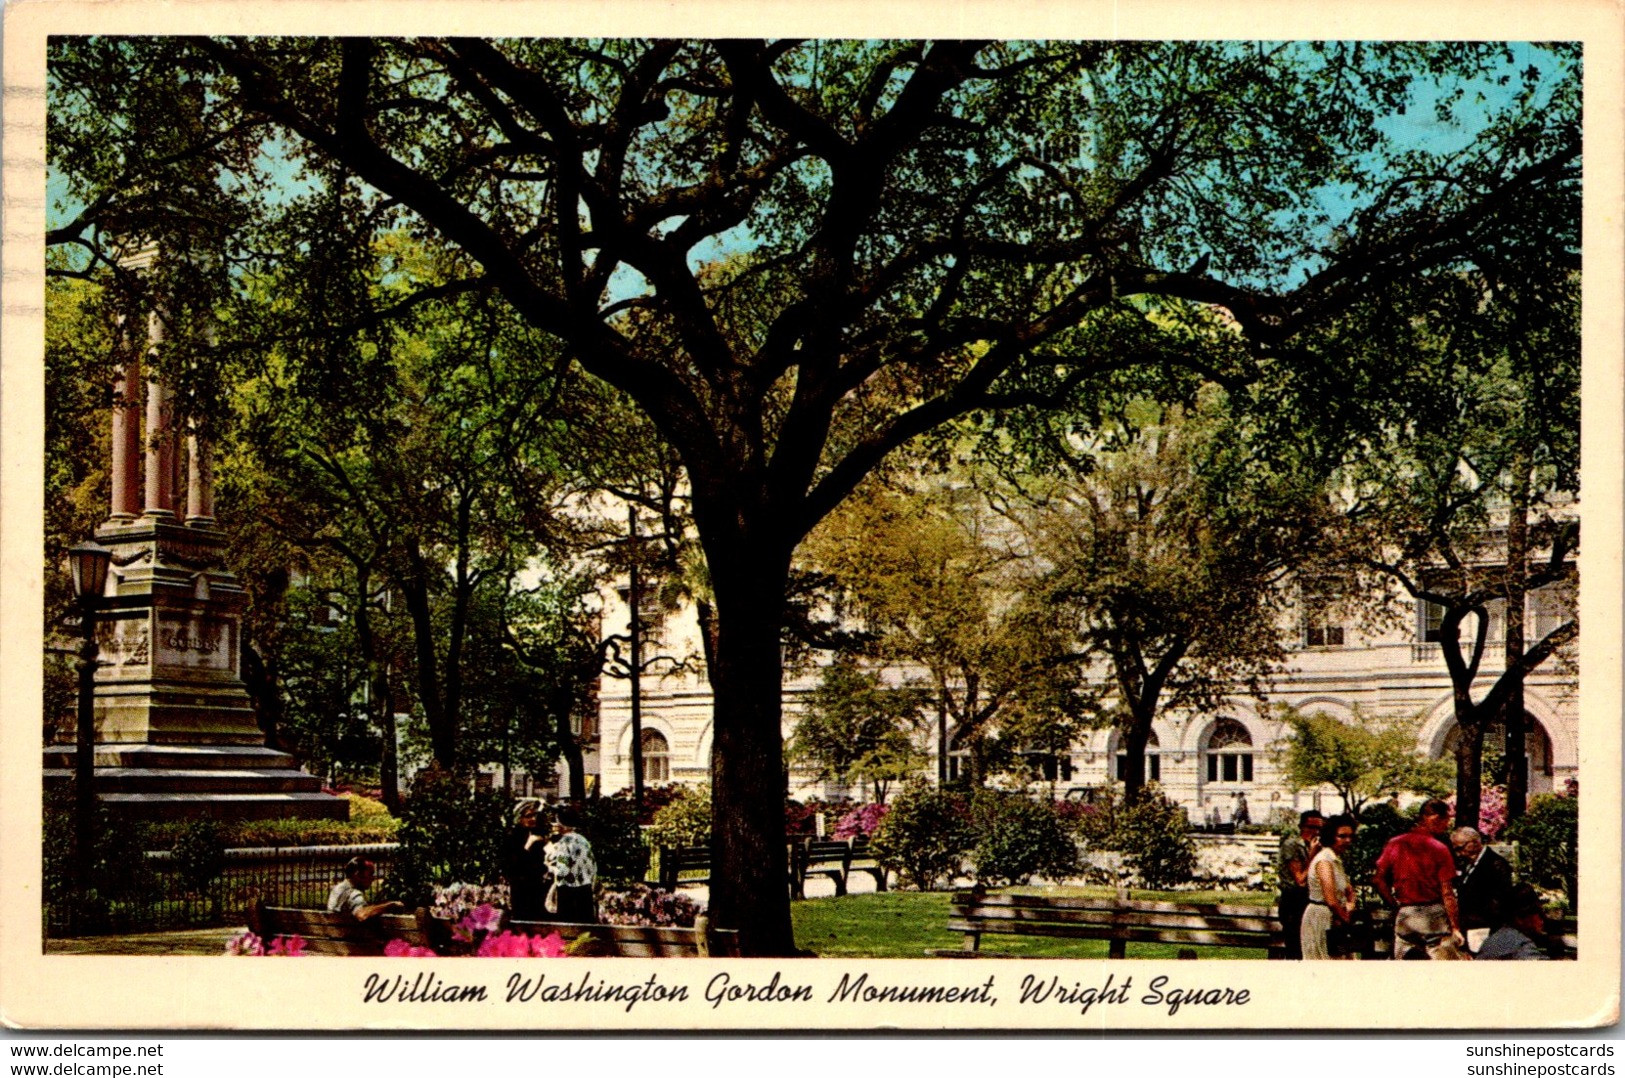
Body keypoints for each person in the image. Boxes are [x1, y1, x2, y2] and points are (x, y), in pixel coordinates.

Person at [1373, 799, 1465, 959]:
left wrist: (1394, 905)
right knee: (1441, 963)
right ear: (1436, 819)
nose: (1447, 826)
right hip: (1433, 914)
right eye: (1446, 821)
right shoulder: (1439, 848)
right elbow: (1447, 892)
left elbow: (1378, 880)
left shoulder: (1394, 844)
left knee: (1405, 963)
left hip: (1406, 913)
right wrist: (1455, 927)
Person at [1450, 826, 1514, 954]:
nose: (1458, 854)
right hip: (1469, 929)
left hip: (1484, 930)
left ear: (1474, 842)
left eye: (1460, 848)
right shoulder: (1468, 863)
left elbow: (1500, 901)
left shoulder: (1495, 864)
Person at [1301, 814, 1356, 960]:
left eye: (1350, 836)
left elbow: (1349, 890)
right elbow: (1331, 900)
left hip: (1336, 917)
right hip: (1321, 918)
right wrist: (1346, 920)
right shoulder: (1325, 861)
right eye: (1342, 836)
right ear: (1331, 836)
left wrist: (1350, 905)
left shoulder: (1335, 860)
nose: (1347, 840)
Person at [1277, 810, 1324, 959]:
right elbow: (1300, 880)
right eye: (1310, 827)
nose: (1315, 832)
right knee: (1296, 950)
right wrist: (1312, 855)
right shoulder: (1293, 845)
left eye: (1319, 828)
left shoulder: (1317, 846)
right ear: (1301, 827)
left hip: (1309, 902)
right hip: (1293, 902)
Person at [543, 805, 597, 924]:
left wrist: (549, 867)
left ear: (562, 823)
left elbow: (563, 870)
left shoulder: (563, 843)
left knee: (569, 931)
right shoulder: (583, 840)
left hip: (568, 892)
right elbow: (593, 866)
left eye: (556, 821)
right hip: (585, 889)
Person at [501, 799, 550, 921]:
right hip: (521, 888)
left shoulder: (539, 834)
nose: (533, 819)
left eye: (534, 815)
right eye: (528, 816)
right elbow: (513, 864)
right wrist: (528, 845)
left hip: (538, 886)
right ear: (520, 818)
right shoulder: (512, 837)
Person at [1476, 883, 1553, 960]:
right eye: (1539, 913)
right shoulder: (1521, 945)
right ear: (1519, 919)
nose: (1542, 919)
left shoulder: (1493, 940)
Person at [327, 856, 405, 921]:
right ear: (357, 874)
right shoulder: (353, 894)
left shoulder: (336, 889)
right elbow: (362, 914)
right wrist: (389, 905)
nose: (373, 878)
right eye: (371, 874)